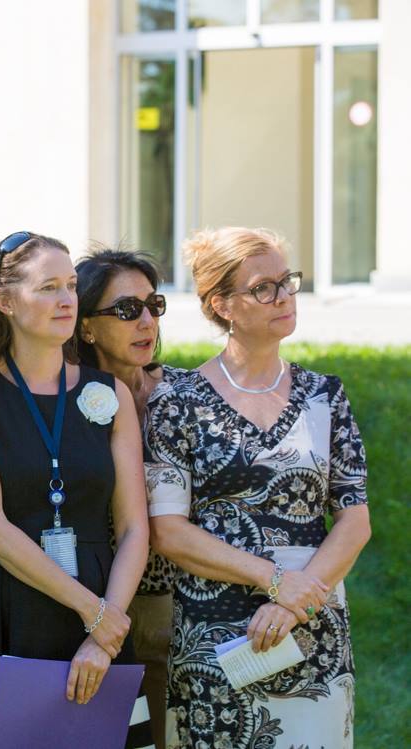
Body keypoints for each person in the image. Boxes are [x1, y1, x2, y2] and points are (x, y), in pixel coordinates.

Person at [146, 227, 371, 747]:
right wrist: (274, 581)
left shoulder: (326, 396)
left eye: (287, 282)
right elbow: (169, 532)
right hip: (216, 639)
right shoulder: (177, 400)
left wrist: (293, 602)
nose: (284, 297)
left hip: (313, 630)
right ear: (221, 305)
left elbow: (355, 520)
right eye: (263, 288)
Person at [0, 232, 152, 748]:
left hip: (103, 606)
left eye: (72, 286)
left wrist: (105, 632)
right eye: (48, 287)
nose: (66, 300)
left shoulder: (109, 392)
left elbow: (134, 528)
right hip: (10, 604)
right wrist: (94, 613)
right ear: (5, 301)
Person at [74, 247, 179, 747]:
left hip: (188, 601)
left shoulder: (184, 394)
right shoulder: (63, 401)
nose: (146, 321)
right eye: (126, 309)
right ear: (86, 327)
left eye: (153, 305)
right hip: (100, 602)